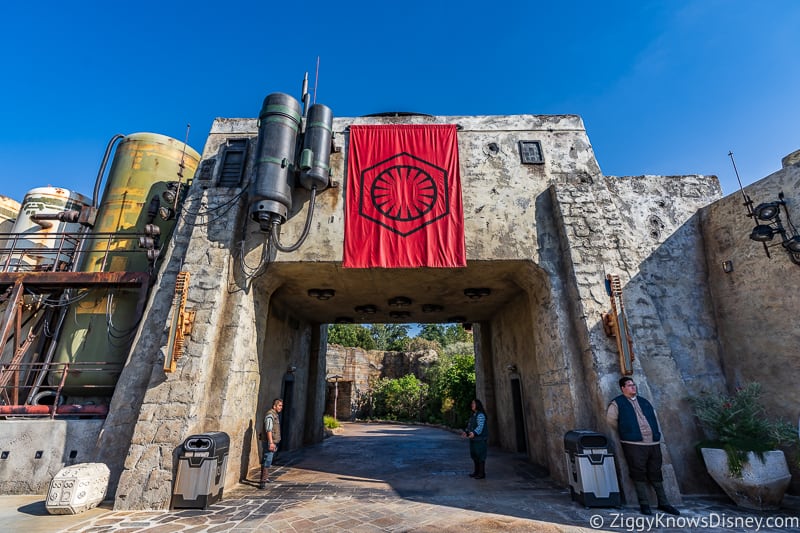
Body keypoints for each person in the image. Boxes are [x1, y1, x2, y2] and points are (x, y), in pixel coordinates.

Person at [606, 377, 680, 516]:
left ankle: (663, 502)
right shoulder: (617, 403)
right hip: (633, 444)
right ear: (623, 388)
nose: (633, 387)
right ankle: (644, 504)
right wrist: (627, 431)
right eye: (629, 385)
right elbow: (611, 420)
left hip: (652, 443)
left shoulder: (644, 402)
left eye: (634, 385)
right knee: (637, 472)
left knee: (656, 472)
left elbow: (654, 418)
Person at [461, 398, 488, 479]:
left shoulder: (480, 415)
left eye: (473, 403)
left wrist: (474, 433)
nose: (472, 405)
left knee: (480, 455)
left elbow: (480, 426)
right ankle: (476, 472)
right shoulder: (473, 415)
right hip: (473, 439)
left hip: (480, 439)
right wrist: (466, 432)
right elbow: (470, 426)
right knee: (474, 455)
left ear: (478, 405)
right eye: (472, 403)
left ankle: (482, 473)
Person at [260, 398, 283, 489]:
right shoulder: (270, 415)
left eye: (281, 405)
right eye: (279, 405)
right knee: (267, 459)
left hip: (272, 441)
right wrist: (271, 442)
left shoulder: (275, 415)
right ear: (274, 406)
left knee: (268, 459)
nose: (281, 407)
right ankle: (263, 481)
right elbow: (268, 430)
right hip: (270, 442)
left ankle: (265, 478)